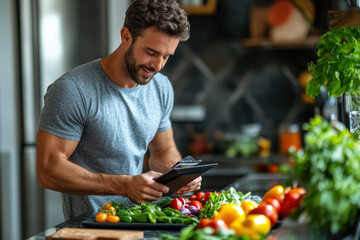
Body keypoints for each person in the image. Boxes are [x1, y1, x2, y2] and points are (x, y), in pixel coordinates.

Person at [36, 0, 201, 220]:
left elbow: (163, 150)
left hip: (139, 222)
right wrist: (124, 185)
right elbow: (48, 170)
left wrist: (179, 175)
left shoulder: (160, 87)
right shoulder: (73, 90)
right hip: (90, 229)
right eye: (151, 52)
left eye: (166, 56)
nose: (158, 65)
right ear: (126, 36)